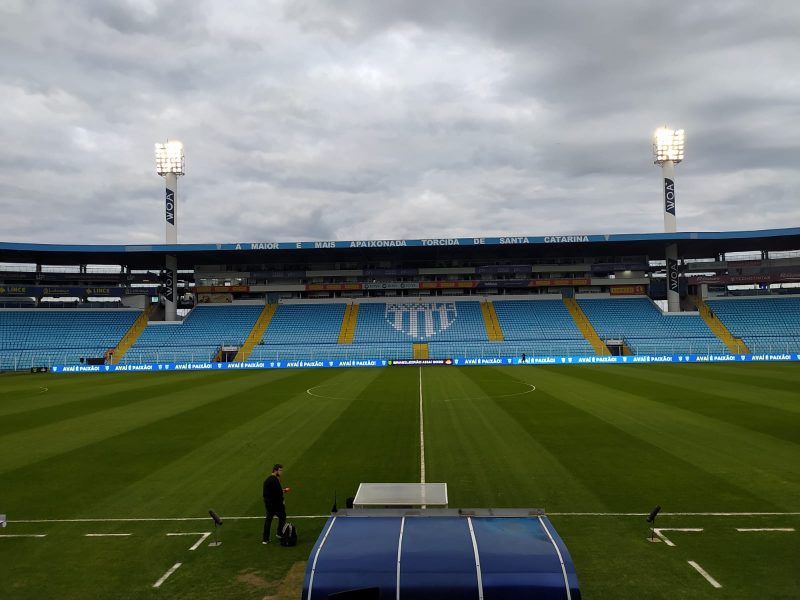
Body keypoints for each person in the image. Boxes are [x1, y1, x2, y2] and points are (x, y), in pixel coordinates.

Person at [262, 463, 290, 544]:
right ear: (275, 470)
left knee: (268, 520)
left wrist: (283, 490)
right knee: (282, 516)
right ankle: (279, 533)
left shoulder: (268, 480)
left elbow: (272, 492)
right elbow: (278, 493)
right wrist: (283, 499)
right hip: (275, 504)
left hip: (268, 503)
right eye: (280, 470)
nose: (281, 472)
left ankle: (265, 539)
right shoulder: (275, 480)